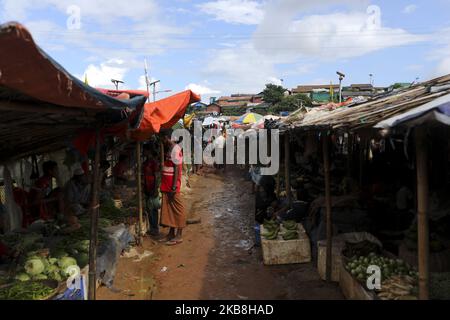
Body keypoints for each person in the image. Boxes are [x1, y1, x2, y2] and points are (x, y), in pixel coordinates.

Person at [159, 129, 186, 246]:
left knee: (177, 208)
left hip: (172, 185)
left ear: (166, 137)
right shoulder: (170, 149)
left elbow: (177, 169)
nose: (161, 141)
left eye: (162, 138)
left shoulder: (176, 149)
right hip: (166, 183)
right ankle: (171, 233)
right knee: (169, 208)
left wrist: (174, 185)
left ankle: (179, 235)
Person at [143, 144, 161, 237]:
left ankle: (155, 228)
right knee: (149, 209)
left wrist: (155, 188)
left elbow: (157, 176)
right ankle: (152, 227)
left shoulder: (153, 163)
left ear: (149, 151)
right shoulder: (145, 162)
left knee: (154, 209)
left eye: (145, 151)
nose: (143, 152)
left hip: (152, 188)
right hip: (147, 188)